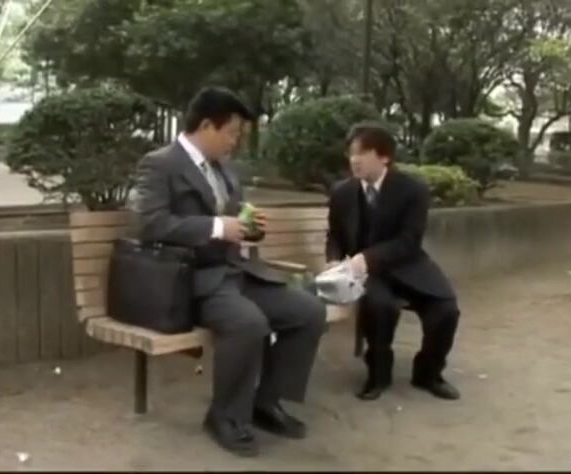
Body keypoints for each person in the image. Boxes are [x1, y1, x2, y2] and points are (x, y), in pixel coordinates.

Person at [133, 87, 327, 457]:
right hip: (193, 281)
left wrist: (249, 229)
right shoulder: (160, 163)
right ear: (207, 125)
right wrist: (219, 227)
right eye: (232, 133)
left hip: (238, 272)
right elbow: (150, 223)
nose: (235, 142)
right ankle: (225, 417)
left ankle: (265, 402)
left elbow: (234, 220)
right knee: (248, 323)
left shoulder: (224, 168)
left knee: (308, 311)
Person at [324, 122, 461, 401]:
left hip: (408, 265)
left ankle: (428, 374)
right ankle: (378, 375)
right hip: (367, 275)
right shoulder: (342, 193)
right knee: (379, 306)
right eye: (351, 153)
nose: (354, 160)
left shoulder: (412, 190)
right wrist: (334, 260)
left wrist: (368, 257)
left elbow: (409, 241)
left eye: (363, 153)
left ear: (384, 156)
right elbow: (335, 235)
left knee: (446, 309)